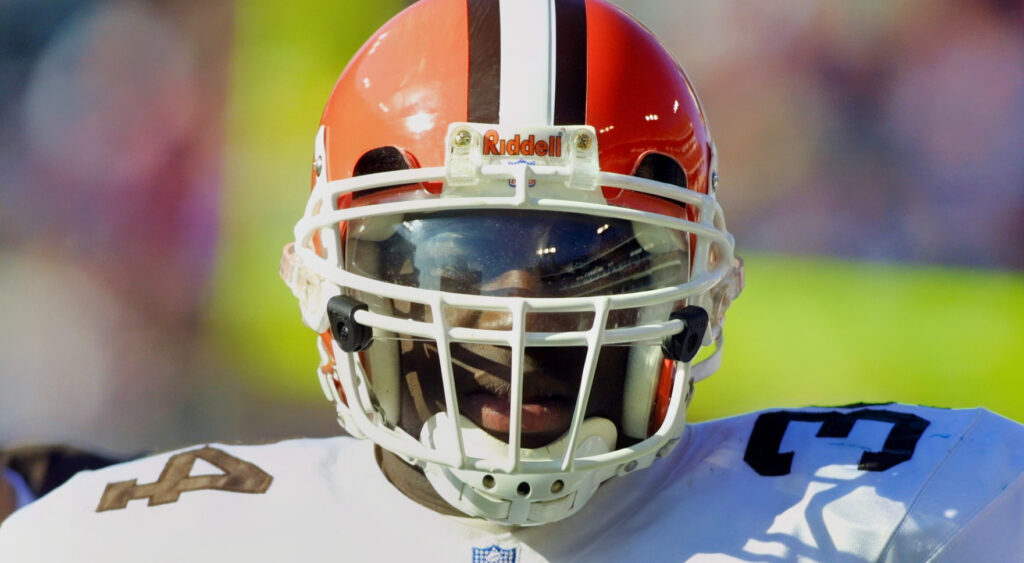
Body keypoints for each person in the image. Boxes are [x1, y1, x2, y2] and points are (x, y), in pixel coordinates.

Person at [2, 0, 1023, 560]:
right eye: (462, 252)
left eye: (586, 253)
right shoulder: (130, 539)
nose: (519, 308)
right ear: (333, 274)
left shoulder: (921, 502)